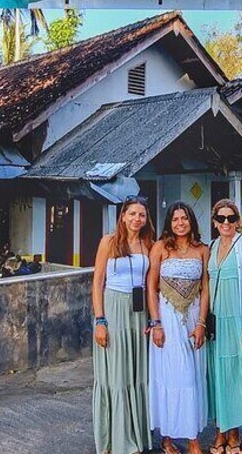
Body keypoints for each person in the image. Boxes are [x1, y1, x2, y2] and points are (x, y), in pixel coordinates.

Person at [92, 195, 156, 454]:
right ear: (123, 216)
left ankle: (136, 437)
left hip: (138, 312)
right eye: (132, 214)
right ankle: (115, 441)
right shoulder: (108, 242)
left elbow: (153, 283)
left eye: (141, 215)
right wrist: (100, 320)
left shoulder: (148, 244)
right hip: (114, 308)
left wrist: (154, 319)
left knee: (137, 373)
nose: (136, 219)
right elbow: (97, 282)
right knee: (116, 375)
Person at [147, 201, 210, 454]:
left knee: (192, 376)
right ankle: (169, 436)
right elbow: (151, 286)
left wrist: (202, 323)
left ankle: (192, 435)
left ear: (191, 221)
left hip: (193, 316)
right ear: (169, 223)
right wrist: (156, 323)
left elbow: (206, 288)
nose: (180, 223)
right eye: (175, 219)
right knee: (174, 376)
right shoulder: (160, 247)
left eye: (184, 218)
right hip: (167, 317)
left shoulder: (202, 249)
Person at [206, 199, 242, 454]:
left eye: (231, 218)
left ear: (238, 220)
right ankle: (221, 430)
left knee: (237, 376)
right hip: (216, 323)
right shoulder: (212, 245)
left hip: (237, 321)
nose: (226, 223)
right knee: (218, 375)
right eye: (221, 219)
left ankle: (234, 433)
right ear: (214, 222)